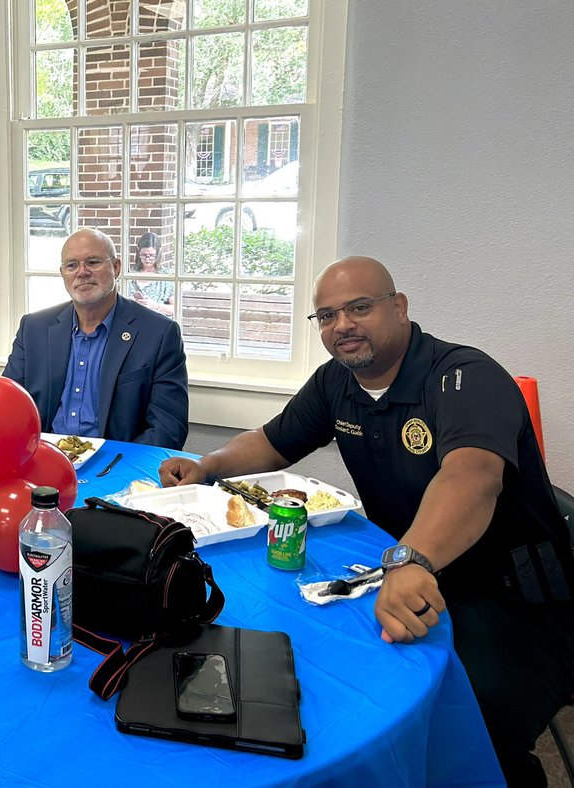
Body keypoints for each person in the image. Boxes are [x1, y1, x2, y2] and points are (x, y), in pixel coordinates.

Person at [158, 256, 573, 785]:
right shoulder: (337, 382)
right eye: (327, 316)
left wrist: (410, 557)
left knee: (470, 720)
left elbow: (472, 477)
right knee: (320, 678)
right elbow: (272, 441)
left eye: (359, 307)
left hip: (515, 600)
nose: (342, 326)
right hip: (408, 575)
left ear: (399, 308)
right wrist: (208, 465)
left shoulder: (467, 377)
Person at [0, 228, 189, 449]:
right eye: (72, 266)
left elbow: (168, 429)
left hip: (114, 467)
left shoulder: (158, 333)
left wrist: (115, 466)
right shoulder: (34, 328)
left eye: (92, 262)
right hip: (40, 461)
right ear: (63, 274)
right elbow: (6, 406)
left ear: (116, 267)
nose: (82, 272)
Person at [128, 231, 176, 315]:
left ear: (158, 254)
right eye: (144, 255)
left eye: (151, 255)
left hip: (158, 323)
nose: (147, 259)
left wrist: (153, 305)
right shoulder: (129, 274)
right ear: (138, 252)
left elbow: (175, 309)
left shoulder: (167, 276)